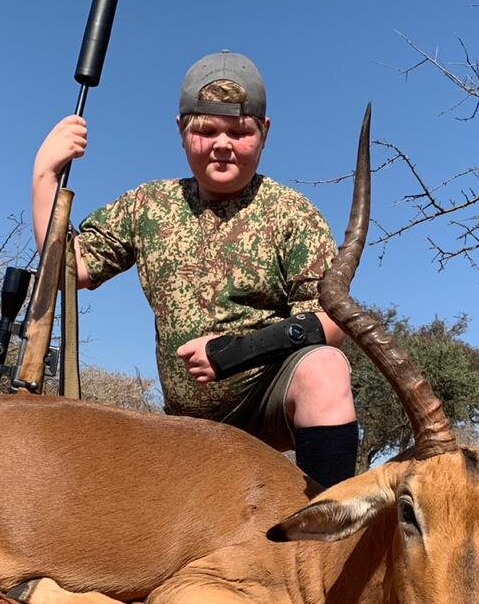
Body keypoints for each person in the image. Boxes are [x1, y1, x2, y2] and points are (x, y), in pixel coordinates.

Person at [30, 51, 359, 489]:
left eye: (239, 132)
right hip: (185, 425)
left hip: (266, 406)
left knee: (326, 368)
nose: (222, 144)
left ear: (264, 132)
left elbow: (328, 324)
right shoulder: (148, 205)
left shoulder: (293, 213)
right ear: (182, 130)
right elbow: (72, 269)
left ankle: (328, 535)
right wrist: (44, 175)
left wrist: (235, 352)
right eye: (206, 130)